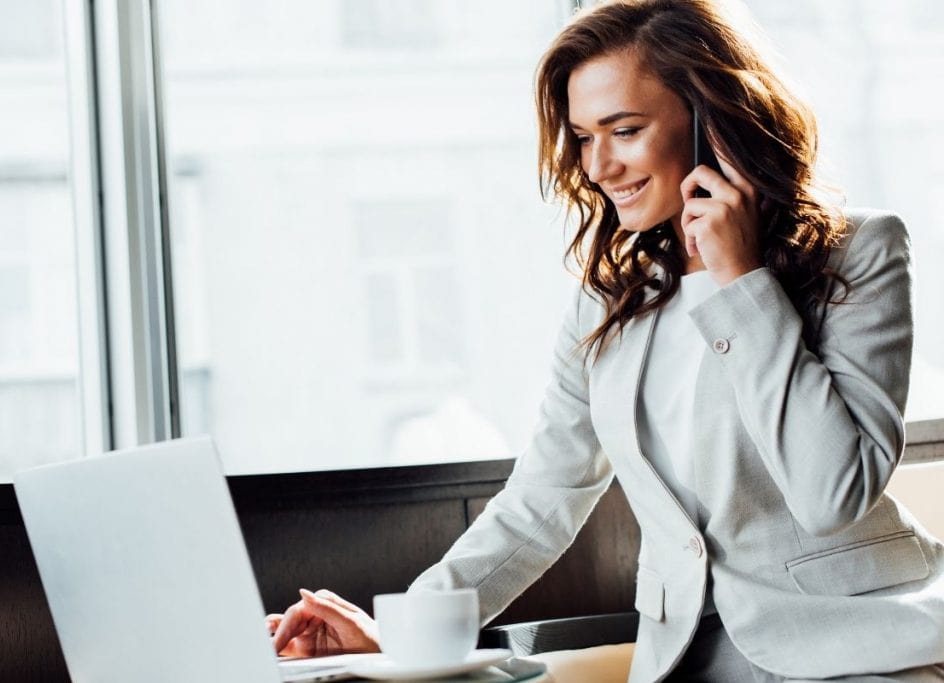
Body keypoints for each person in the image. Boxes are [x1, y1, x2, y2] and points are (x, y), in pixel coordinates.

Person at [267, 0, 944, 680]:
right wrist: (404, 632)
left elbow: (832, 493)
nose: (599, 166)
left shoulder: (860, 252)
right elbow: (543, 497)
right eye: (584, 137)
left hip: (867, 646)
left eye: (624, 130)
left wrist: (741, 283)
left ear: (712, 121)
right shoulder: (607, 299)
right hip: (688, 658)